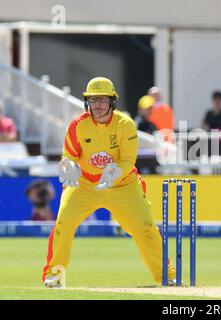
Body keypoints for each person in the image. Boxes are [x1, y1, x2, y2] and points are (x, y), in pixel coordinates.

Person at [42, 77, 176, 288]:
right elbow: (69, 156)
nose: (98, 105)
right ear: (87, 102)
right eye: (93, 100)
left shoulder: (125, 124)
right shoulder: (77, 125)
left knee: (146, 227)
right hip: (85, 184)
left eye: (103, 100)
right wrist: (69, 166)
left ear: (112, 101)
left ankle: (167, 276)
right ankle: (54, 274)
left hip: (123, 184)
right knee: (63, 224)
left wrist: (115, 173)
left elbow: (127, 160)